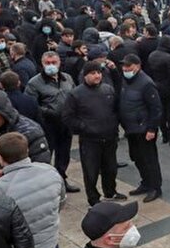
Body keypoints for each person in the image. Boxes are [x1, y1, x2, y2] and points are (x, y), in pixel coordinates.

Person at [63, 61, 124, 206]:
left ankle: (110, 192)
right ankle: (93, 198)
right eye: (93, 73)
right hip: (90, 140)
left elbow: (115, 109)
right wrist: (84, 127)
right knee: (91, 171)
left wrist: (114, 124)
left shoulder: (107, 89)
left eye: (98, 72)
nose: (97, 76)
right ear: (85, 76)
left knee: (110, 168)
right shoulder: (75, 94)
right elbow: (67, 117)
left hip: (109, 137)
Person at [26, 51, 80, 192]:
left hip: (66, 124)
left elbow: (75, 96)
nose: (51, 66)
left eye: (54, 63)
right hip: (47, 125)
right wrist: (47, 112)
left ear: (59, 63)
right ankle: (45, 185)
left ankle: (61, 180)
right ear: (42, 64)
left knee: (64, 154)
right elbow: (32, 105)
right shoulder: (34, 83)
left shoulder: (67, 78)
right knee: (45, 156)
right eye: (48, 63)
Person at [118, 54, 163, 202]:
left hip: (144, 129)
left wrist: (151, 129)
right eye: (124, 67)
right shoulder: (126, 80)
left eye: (128, 67)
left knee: (149, 159)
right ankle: (145, 182)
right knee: (137, 157)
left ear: (137, 67)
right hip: (131, 128)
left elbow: (156, 108)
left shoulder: (146, 83)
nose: (125, 69)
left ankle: (155, 187)